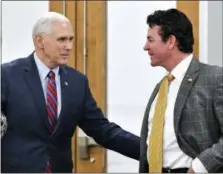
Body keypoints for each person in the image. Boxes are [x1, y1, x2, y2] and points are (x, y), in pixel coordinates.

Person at [1, 12, 140, 173]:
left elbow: (103, 130)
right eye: (62, 40)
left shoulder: (77, 82)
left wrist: (150, 151)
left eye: (71, 39)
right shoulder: (7, 75)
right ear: (40, 41)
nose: (69, 46)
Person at [139, 8, 223, 173]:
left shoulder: (214, 78)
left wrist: (200, 167)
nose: (145, 47)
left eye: (151, 40)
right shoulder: (161, 87)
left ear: (171, 41)